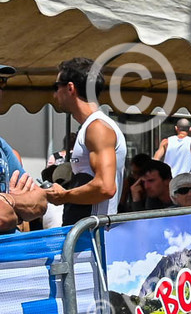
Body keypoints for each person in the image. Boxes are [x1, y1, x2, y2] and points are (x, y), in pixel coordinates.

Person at [44, 57, 126, 224]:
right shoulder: (91, 127)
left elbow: (105, 187)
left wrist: (64, 196)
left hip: (93, 235)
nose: (54, 94)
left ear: (70, 88)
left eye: (56, 87)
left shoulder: (97, 127)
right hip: (88, 232)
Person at [0, 65, 48, 235]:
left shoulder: (2, 145)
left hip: (13, 248)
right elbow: (2, 218)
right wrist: (20, 212)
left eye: (1, 83)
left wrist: (9, 200)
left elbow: (40, 201)